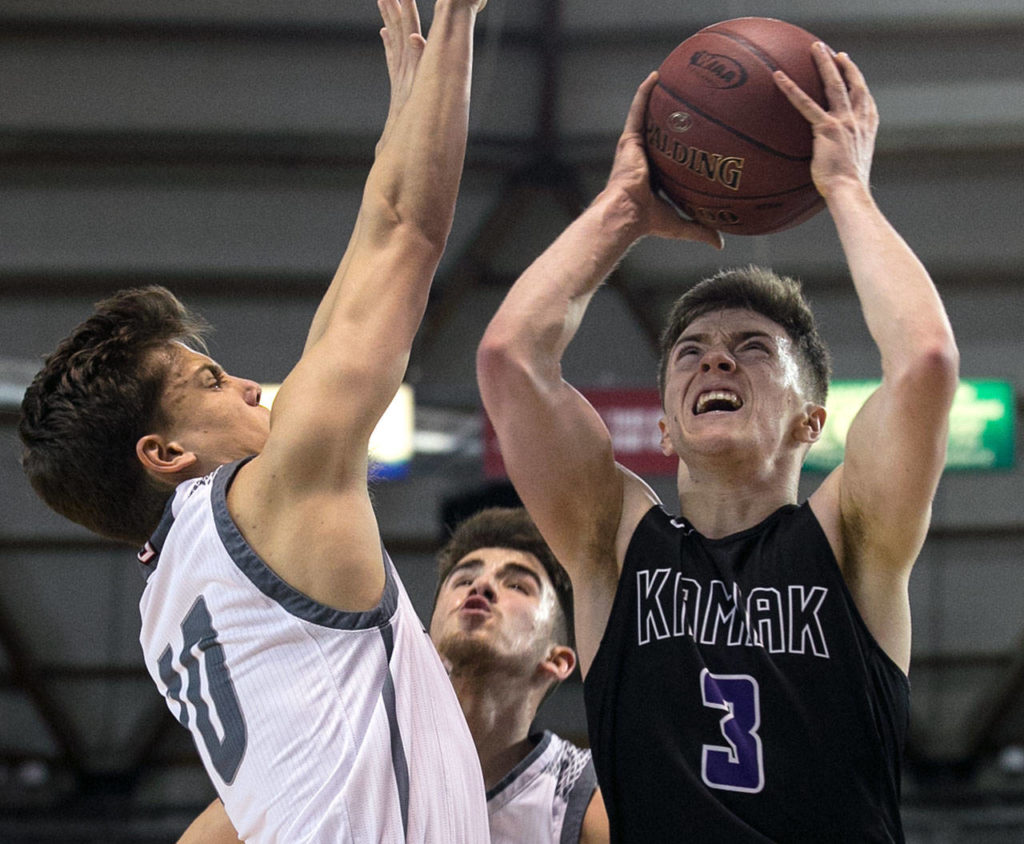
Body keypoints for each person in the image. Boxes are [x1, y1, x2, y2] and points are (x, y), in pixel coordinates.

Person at [18, 0, 491, 841]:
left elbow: (373, 247)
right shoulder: (270, 499)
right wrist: (457, 20)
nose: (246, 386)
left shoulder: (168, 609)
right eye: (208, 380)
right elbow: (408, 234)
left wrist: (409, 114)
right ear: (164, 451)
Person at [476, 43, 958, 843]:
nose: (718, 358)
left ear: (812, 419)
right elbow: (509, 359)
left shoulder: (852, 537)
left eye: (755, 348)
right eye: (690, 352)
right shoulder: (615, 541)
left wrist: (845, 190)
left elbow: (926, 362)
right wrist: (622, 210)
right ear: (666, 422)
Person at [177, 507, 610, 844]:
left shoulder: (584, 794)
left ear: (558, 661)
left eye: (518, 585)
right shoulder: (343, 749)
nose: (481, 587)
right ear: (427, 632)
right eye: (464, 578)